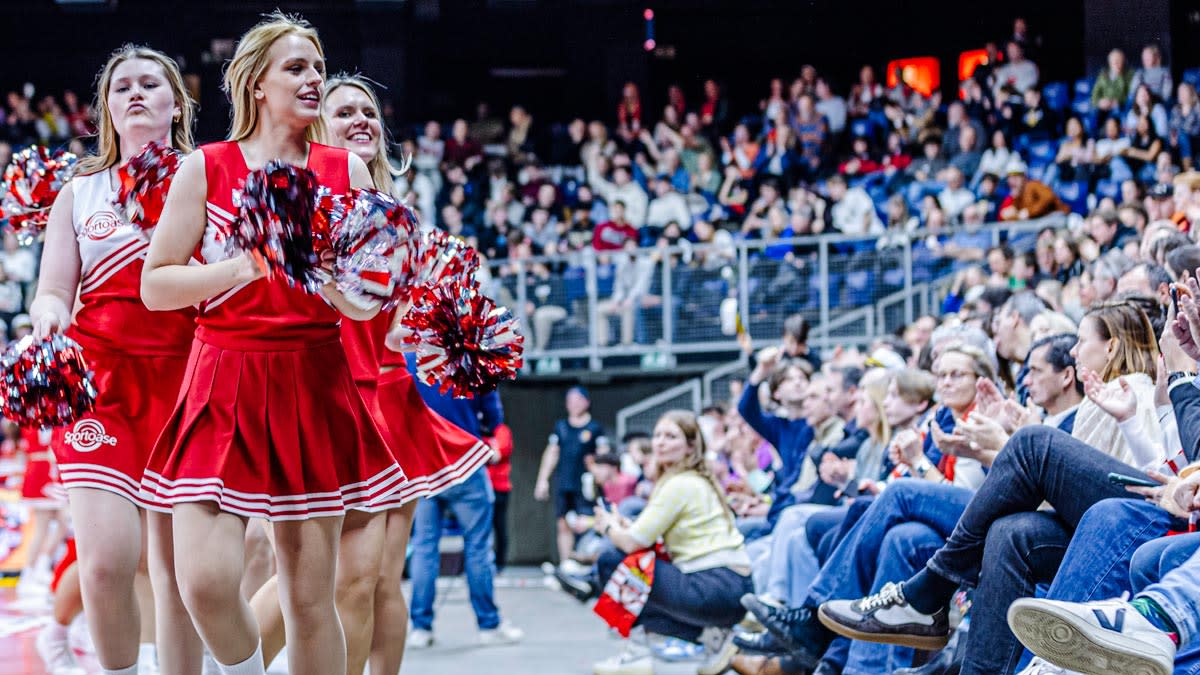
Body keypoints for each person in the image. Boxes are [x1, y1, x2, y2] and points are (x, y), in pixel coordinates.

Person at [139, 15, 405, 675]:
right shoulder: (207, 166)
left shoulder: (346, 170)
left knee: (309, 597)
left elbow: (366, 299)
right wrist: (245, 265)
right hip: (221, 375)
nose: (313, 78)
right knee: (201, 579)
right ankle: (245, 668)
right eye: (296, 68)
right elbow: (156, 284)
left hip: (311, 378)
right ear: (257, 83)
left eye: (317, 66)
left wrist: (326, 275)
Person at [247, 74, 496, 675]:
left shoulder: (405, 218)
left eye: (369, 111)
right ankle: (219, 665)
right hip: (315, 394)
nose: (361, 119)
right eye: (344, 111)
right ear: (314, 125)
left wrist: (447, 330)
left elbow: (409, 322)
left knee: (378, 581)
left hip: (390, 400)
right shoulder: (292, 202)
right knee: (304, 573)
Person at [31, 44, 201, 675]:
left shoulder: (210, 179)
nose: (135, 93)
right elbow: (53, 289)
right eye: (121, 85)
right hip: (99, 383)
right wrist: (47, 316)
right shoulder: (79, 193)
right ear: (106, 108)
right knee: (104, 563)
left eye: (151, 83)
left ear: (176, 103)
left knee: (180, 572)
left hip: (191, 383)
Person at [590, 410, 752, 675]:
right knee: (632, 564)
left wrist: (609, 526)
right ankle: (710, 636)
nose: (661, 442)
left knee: (612, 558)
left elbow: (632, 544)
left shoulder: (680, 483)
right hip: (729, 589)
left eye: (671, 436)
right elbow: (647, 536)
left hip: (716, 587)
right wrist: (624, 529)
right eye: (658, 435)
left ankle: (638, 651)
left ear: (690, 446)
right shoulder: (692, 479)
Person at [403, 352, 523, 649]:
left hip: (426, 464)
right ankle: (488, 625)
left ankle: (420, 627)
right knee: (478, 546)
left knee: (424, 546)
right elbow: (494, 418)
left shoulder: (410, 361)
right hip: (467, 462)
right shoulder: (472, 359)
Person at [535, 387, 611, 570]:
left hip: (585, 486)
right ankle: (565, 564)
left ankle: (586, 562)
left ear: (586, 402)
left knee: (587, 523)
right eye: (570, 400)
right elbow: (552, 453)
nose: (573, 404)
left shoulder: (595, 429)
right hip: (564, 483)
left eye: (577, 400)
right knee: (563, 524)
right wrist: (542, 479)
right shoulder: (561, 427)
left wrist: (601, 475)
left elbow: (603, 455)